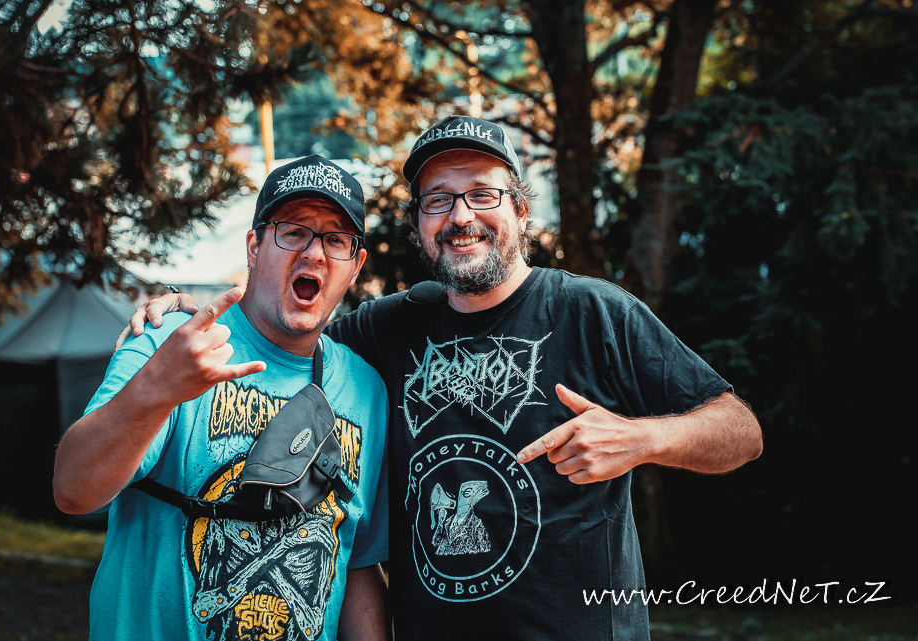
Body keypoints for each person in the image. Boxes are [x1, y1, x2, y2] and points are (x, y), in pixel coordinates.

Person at [122, 116, 763, 640]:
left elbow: (740, 431)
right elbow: (287, 329)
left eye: (482, 194)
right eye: (438, 200)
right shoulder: (388, 327)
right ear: (420, 225)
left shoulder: (592, 311)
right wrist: (195, 311)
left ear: (520, 210)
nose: (460, 216)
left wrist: (641, 440)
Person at [55, 155, 390, 641]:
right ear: (254, 247)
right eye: (293, 231)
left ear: (355, 266)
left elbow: (356, 560)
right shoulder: (173, 342)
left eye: (336, 239)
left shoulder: (366, 390)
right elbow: (73, 490)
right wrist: (157, 387)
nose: (314, 253)